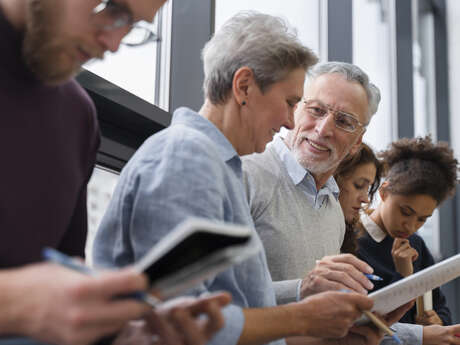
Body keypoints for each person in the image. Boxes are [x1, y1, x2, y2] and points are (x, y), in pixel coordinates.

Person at [93, 12, 379, 345]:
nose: (290, 122)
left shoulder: (218, 167)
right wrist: (303, 319)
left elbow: (228, 310)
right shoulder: (186, 159)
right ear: (243, 87)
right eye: (291, 103)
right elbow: (178, 319)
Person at [0, 0, 228, 344]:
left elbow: (60, 279)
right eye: (112, 8)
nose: (113, 42)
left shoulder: (76, 115)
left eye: (132, 26)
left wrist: (122, 329)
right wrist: (15, 304)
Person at [242, 62, 417, 345]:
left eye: (344, 121)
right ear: (296, 109)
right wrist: (300, 290)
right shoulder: (244, 174)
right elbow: (205, 298)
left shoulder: (334, 210)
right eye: (316, 110)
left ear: (357, 141)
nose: (323, 129)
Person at [335, 140, 460, 345]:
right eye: (405, 212)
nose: (410, 226)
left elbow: (439, 304)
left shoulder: (416, 245)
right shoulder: (351, 242)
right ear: (384, 192)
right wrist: (403, 276)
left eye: (422, 219)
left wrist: (438, 321)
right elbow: (367, 320)